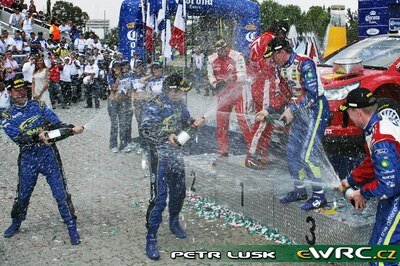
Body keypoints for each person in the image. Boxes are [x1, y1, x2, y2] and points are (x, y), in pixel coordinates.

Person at [0, 77, 84, 245]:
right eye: (17, 90)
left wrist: (71, 128)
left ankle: (71, 224)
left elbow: (56, 125)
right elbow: (19, 137)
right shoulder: (6, 116)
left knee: (60, 193)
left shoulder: (39, 106)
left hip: (49, 156)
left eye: (24, 89)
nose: (22, 92)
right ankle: (16, 222)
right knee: (23, 195)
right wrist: (37, 135)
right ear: (10, 92)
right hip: (28, 158)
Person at [141, 73, 205, 260]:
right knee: (159, 199)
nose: (180, 95)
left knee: (179, 192)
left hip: (176, 156)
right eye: (177, 92)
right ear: (169, 90)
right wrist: (165, 136)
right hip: (159, 157)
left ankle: (174, 221)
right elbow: (146, 130)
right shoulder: (155, 105)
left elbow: (186, 122)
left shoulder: (179, 104)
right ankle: (151, 236)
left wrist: (195, 123)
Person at [264, 37, 330, 211]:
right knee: (292, 152)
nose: (272, 60)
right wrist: (268, 110)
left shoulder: (304, 64)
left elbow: (312, 94)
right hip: (300, 112)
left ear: (281, 52)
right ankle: (300, 190)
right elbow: (284, 93)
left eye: (273, 56)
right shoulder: (281, 68)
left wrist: (292, 109)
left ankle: (319, 196)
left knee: (307, 155)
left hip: (317, 110)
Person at [338, 88, 400, 259]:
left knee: (381, 254)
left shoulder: (381, 140)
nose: (349, 118)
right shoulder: (378, 125)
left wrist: (362, 193)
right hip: (394, 196)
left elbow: (389, 186)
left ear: (358, 113)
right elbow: (372, 162)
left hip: (397, 197)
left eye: (349, 113)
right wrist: (350, 180)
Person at [247, 32, 291, 169]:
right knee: (263, 120)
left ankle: (262, 154)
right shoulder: (270, 40)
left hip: (261, 83)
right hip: (265, 84)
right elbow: (266, 64)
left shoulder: (259, 39)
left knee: (268, 121)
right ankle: (251, 156)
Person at [207, 39, 251, 156]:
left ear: (227, 47)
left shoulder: (237, 56)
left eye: (223, 49)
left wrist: (231, 78)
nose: (222, 52)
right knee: (221, 122)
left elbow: (243, 75)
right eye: (219, 50)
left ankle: (252, 148)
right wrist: (215, 84)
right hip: (222, 94)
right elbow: (210, 75)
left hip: (238, 93)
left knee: (243, 121)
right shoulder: (211, 59)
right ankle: (223, 150)